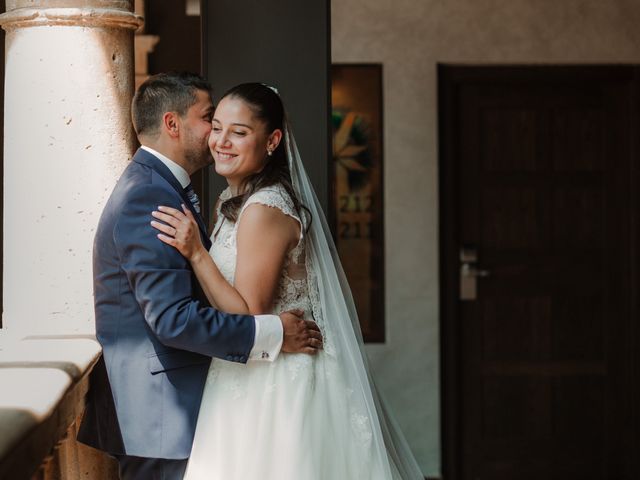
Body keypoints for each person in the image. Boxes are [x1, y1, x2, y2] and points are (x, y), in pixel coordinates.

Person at [151, 82, 424, 479]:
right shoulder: (235, 203)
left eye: (239, 132)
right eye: (218, 127)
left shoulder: (264, 208)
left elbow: (249, 313)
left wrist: (196, 253)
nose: (222, 142)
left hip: (276, 384)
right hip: (244, 371)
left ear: (273, 140)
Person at [77, 73, 322, 480]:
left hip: (186, 407)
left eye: (234, 129)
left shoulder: (163, 188)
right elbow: (173, 319)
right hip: (160, 415)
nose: (216, 135)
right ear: (173, 125)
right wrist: (275, 334)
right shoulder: (148, 197)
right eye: (210, 119)